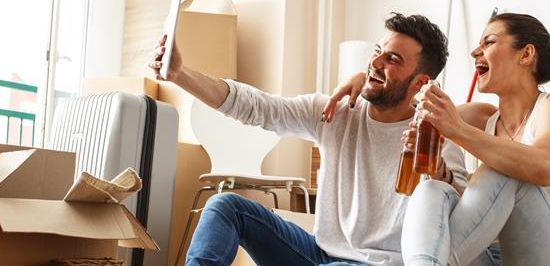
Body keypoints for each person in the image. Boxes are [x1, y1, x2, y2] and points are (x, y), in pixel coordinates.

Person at [150, 13, 468, 265]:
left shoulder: (436, 134)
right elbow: (257, 107)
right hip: (316, 254)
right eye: (377, 52)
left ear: (421, 82)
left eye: (392, 60)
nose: (375, 64)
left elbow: (463, 207)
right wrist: (180, 74)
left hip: (379, 264)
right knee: (225, 206)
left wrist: (440, 172)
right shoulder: (336, 111)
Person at [325, 12, 550, 266]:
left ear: (526, 54)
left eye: (489, 42)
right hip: (487, 255)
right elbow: (410, 106)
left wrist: (457, 129)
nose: (475, 52)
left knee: (501, 172)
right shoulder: (483, 117)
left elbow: (545, 167)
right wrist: (367, 79)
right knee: (431, 188)